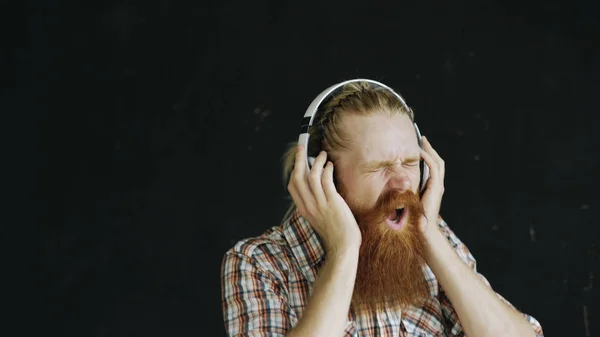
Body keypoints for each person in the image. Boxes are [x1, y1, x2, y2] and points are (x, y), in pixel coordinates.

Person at [220, 79, 544, 337]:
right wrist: (345, 250)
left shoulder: (428, 237)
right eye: (378, 167)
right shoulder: (259, 264)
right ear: (323, 176)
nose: (402, 182)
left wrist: (429, 235)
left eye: (411, 162)